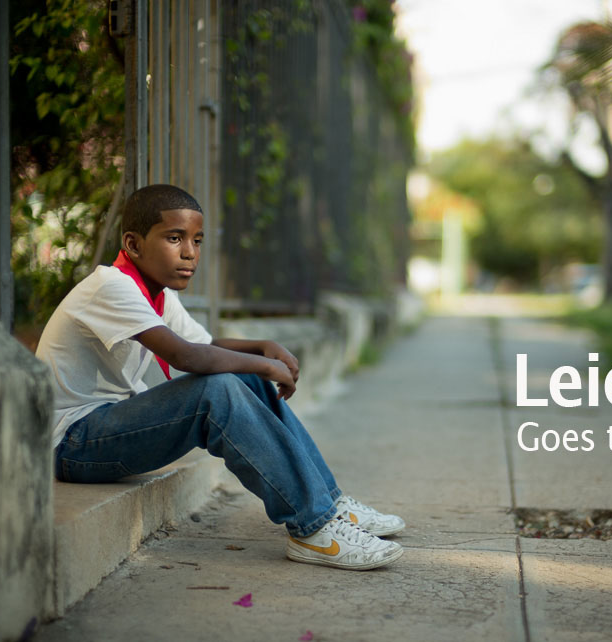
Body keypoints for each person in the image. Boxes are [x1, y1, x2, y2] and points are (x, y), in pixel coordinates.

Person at [35, 184, 404, 571]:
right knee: (219, 389)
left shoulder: (154, 293)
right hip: (73, 445)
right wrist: (263, 364)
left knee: (244, 378)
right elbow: (185, 356)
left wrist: (263, 347)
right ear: (134, 243)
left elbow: (206, 343)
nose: (190, 253)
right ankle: (313, 529)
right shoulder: (110, 287)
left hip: (106, 429)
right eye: (174, 238)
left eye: (197, 240)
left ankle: (329, 503)